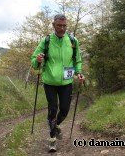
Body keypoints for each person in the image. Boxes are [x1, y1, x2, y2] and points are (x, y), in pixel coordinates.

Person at [31, 14, 85, 152]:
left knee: (65, 109)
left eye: (64, 25)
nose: (62, 28)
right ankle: (52, 139)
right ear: (53, 25)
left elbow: (77, 60)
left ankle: (55, 125)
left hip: (66, 81)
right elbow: (34, 61)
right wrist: (37, 60)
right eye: (59, 25)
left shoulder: (73, 41)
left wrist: (79, 73)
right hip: (50, 81)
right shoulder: (46, 41)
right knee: (53, 109)